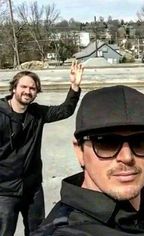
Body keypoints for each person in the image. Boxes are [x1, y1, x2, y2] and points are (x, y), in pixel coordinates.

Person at [32, 85, 144, 236]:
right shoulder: (65, 231)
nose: (127, 157)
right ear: (80, 151)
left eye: (141, 141)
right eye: (107, 143)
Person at [0, 62, 84, 236]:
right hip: (5, 190)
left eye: (33, 88)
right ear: (14, 88)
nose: (28, 91)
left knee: (39, 231)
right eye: (23, 86)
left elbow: (64, 111)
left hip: (32, 188)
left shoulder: (36, 113)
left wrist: (74, 87)